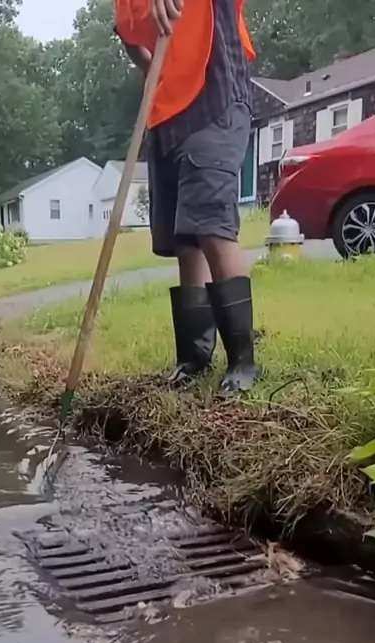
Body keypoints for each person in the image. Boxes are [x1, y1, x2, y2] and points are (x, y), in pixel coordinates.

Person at [115, 0, 260, 395]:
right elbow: (131, 36)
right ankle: (194, 357)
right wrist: (154, 71)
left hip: (214, 95)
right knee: (185, 237)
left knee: (211, 224)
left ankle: (243, 362)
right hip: (165, 112)